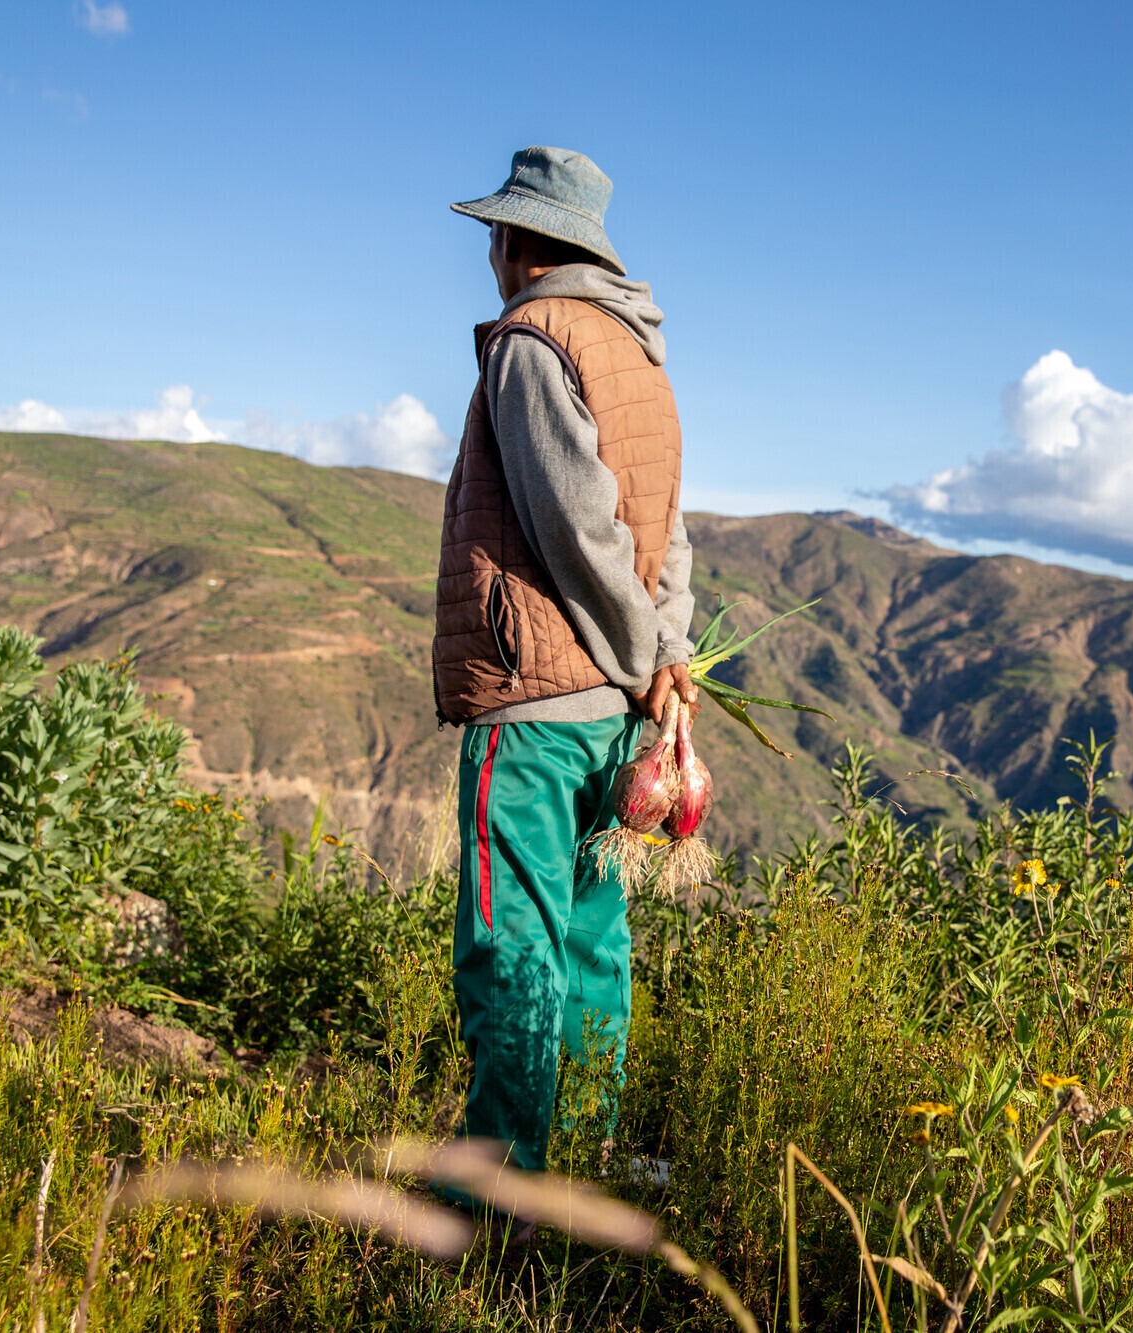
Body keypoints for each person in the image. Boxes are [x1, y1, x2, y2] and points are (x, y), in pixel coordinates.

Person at [432, 146, 699, 1179]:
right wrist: (663, 655)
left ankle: (500, 1188)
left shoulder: (532, 344)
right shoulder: (640, 356)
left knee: (512, 946)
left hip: (538, 701)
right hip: (619, 715)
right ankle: (588, 1163)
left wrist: (640, 657)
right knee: (591, 937)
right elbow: (662, 532)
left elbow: (575, 527)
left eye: (494, 234)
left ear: (515, 240)